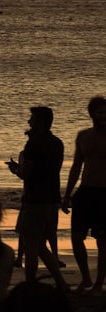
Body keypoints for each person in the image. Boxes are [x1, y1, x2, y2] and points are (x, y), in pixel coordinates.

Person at [6, 105, 67, 291]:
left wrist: (15, 169)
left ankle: (30, 284)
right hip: (51, 199)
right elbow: (50, 170)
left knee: (31, 246)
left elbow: (26, 173)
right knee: (41, 245)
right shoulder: (58, 143)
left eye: (32, 119)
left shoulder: (32, 144)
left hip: (34, 199)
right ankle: (61, 283)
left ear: (40, 122)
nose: (29, 122)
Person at [62, 95, 106, 293]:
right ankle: (86, 278)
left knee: (103, 241)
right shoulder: (83, 136)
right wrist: (67, 194)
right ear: (92, 114)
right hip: (85, 191)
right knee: (76, 237)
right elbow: (76, 166)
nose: (103, 115)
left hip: (104, 193)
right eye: (100, 111)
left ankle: (99, 282)